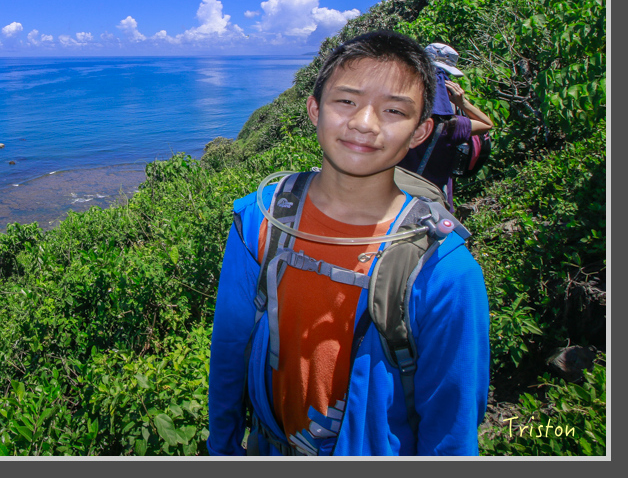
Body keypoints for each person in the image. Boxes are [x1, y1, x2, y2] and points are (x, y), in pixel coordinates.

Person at [207, 30, 489, 456]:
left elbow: (452, 430)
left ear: (420, 132)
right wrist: (222, 448)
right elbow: (230, 347)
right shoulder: (260, 219)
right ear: (314, 109)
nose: (364, 123)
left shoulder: (445, 270)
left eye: (394, 109)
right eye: (347, 101)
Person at [398, 43, 493, 209]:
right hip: (433, 199)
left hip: (394, 195)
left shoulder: (397, 117)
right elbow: (487, 124)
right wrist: (462, 103)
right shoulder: (453, 126)